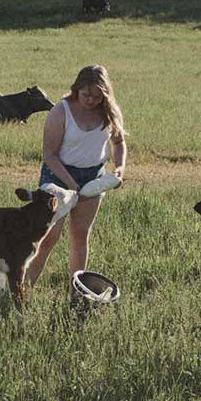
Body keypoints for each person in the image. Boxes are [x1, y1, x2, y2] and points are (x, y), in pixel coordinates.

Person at [24, 65, 128, 301]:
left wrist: (120, 168)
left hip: (93, 179)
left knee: (80, 235)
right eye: (85, 95)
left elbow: (119, 142)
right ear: (76, 90)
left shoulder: (110, 111)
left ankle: (76, 295)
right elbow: (49, 155)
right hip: (58, 178)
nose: (90, 101)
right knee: (49, 236)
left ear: (105, 94)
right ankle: (23, 288)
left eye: (96, 96)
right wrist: (71, 184)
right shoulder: (61, 111)